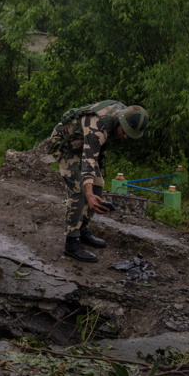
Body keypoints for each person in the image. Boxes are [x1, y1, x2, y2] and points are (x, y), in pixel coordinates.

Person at [47, 100, 148, 262]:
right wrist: (88, 194)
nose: (124, 137)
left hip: (83, 144)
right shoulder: (97, 129)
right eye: (124, 132)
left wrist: (93, 190)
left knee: (98, 185)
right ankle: (71, 242)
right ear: (120, 121)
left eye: (129, 135)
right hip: (65, 145)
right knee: (79, 190)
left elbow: (92, 154)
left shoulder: (124, 112)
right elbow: (88, 163)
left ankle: (82, 229)